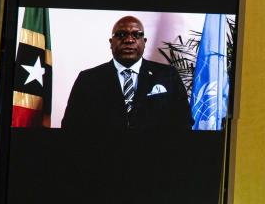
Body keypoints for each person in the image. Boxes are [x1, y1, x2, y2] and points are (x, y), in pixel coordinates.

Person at [61, 15, 193, 131]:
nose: (129, 40)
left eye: (137, 34)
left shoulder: (168, 75)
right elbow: (71, 125)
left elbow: (184, 121)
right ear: (111, 43)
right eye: (121, 35)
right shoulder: (88, 79)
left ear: (144, 42)